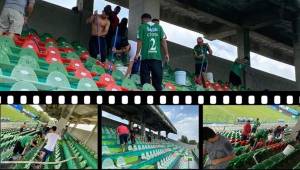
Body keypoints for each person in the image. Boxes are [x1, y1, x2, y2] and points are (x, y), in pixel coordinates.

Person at [134, 13, 170, 91]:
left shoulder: (142, 27)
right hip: (157, 58)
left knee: (145, 81)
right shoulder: (159, 27)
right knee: (157, 81)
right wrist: (167, 53)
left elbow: (140, 41)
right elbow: (163, 41)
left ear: (144, 19)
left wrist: (137, 54)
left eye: (142, 20)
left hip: (145, 58)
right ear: (150, 19)